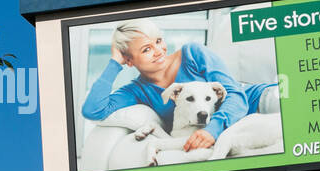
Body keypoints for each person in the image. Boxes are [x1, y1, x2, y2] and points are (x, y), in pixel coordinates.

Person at [81, 19, 277, 151]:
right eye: (147, 49)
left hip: (260, 100)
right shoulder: (137, 90)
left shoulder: (192, 54)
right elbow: (93, 110)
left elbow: (235, 95)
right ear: (129, 59)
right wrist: (115, 63)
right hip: (241, 129)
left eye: (159, 41)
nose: (159, 51)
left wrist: (212, 130)